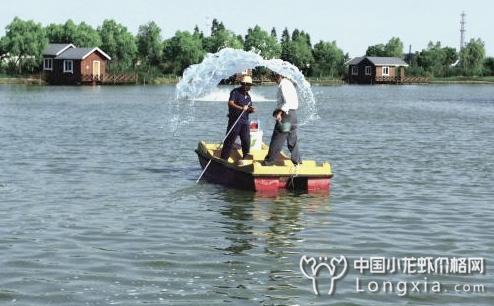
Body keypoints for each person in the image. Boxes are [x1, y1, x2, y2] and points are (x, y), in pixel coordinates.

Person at [262, 73, 301, 166]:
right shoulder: (289, 83)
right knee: (292, 140)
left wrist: (280, 113)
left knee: (278, 138)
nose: (273, 79)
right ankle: (297, 161)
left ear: (278, 76)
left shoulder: (284, 84)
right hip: (293, 115)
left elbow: (287, 102)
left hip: (286, 116)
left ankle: (269, 161)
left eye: (273, 76)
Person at [220, 75, 255, 161]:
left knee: (246, 140)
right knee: (230, 140)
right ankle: (224, 158)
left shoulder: (248, 97)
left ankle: (246, 157)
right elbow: (230, 103)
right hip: (235, 120)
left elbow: (247, 108)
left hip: (244, 122)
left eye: (250, 85)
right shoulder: (235, 92)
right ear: (244, 84)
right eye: (248, 85)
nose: (249, 87)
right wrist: (241, 108)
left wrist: (251, 110)